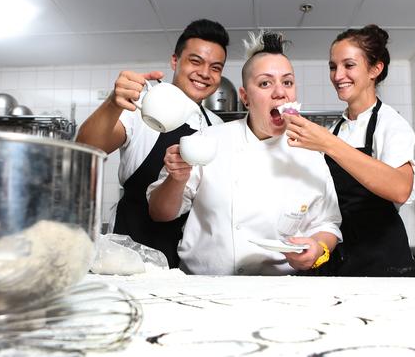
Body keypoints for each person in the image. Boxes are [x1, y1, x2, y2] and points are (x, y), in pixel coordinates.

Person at [147, 31, 342, 276]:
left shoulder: (311, 156)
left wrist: (318, 249)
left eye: (287, 82)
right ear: (245, 98)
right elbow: (159, 213)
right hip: (203, 287)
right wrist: (177, 179)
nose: (280, 92)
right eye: (265, 83)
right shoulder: (208, 140)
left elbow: (327, 224)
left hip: (279, 291)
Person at [75, 19, 229, 268]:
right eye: (195, 61)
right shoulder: (144, 105)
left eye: (215, 67)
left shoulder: (216, 125)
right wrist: (113, 103)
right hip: (128, 248)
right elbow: (86, 149)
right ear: (175, 61)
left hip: (187, 257)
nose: (205, 73)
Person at [284, 24, 415, 277]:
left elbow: (401, 188)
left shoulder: (391, 124)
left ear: (375, 69)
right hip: (338, 254)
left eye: (348, 65)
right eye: (333, 67)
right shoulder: (337, 128)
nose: (337, 75)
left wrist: (327, 143)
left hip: (380, 257)